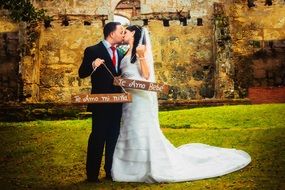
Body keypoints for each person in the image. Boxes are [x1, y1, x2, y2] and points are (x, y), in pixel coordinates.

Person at [111, 25, 251, 183]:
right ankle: (129, 167)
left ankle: (149, 166)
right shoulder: (123, 53)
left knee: (141, 128)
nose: (123, 34)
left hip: (141, 98)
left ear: (134, 33)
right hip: (129, 99)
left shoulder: (141, 51)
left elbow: (146, 75)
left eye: (126, 32)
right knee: (130, 128)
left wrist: (142, 56)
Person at [78, 22, 125, 183]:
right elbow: (82, 73)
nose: (123, 34)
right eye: (121, 31)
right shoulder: (92, 50)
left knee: (113, 137)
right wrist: (93, 64)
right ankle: (92, 174)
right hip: (101, 103)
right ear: (112, 34)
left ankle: (110, 171)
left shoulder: (120, 52)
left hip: (117, 103)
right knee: (98, 137)